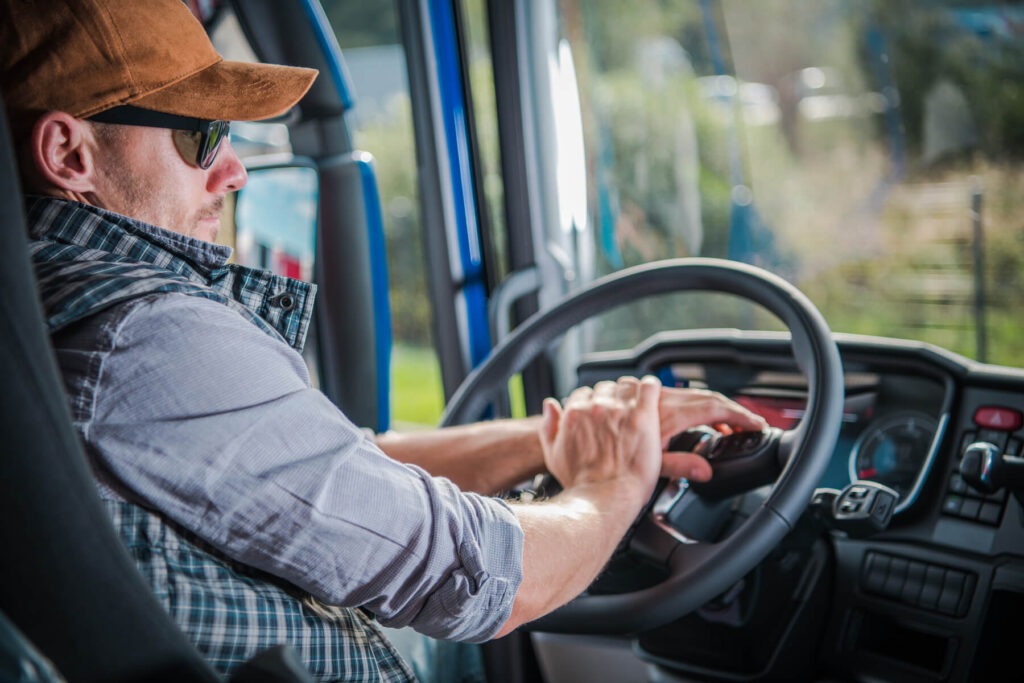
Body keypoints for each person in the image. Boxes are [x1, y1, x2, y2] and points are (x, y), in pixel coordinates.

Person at [1, 1, 767, 680]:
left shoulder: (39, 313)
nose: (234, 170)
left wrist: (550, 436)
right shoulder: (144, 333)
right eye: (203, 135)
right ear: (70, 152)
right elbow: (478, 577)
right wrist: (614, 483)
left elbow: (329, 465)